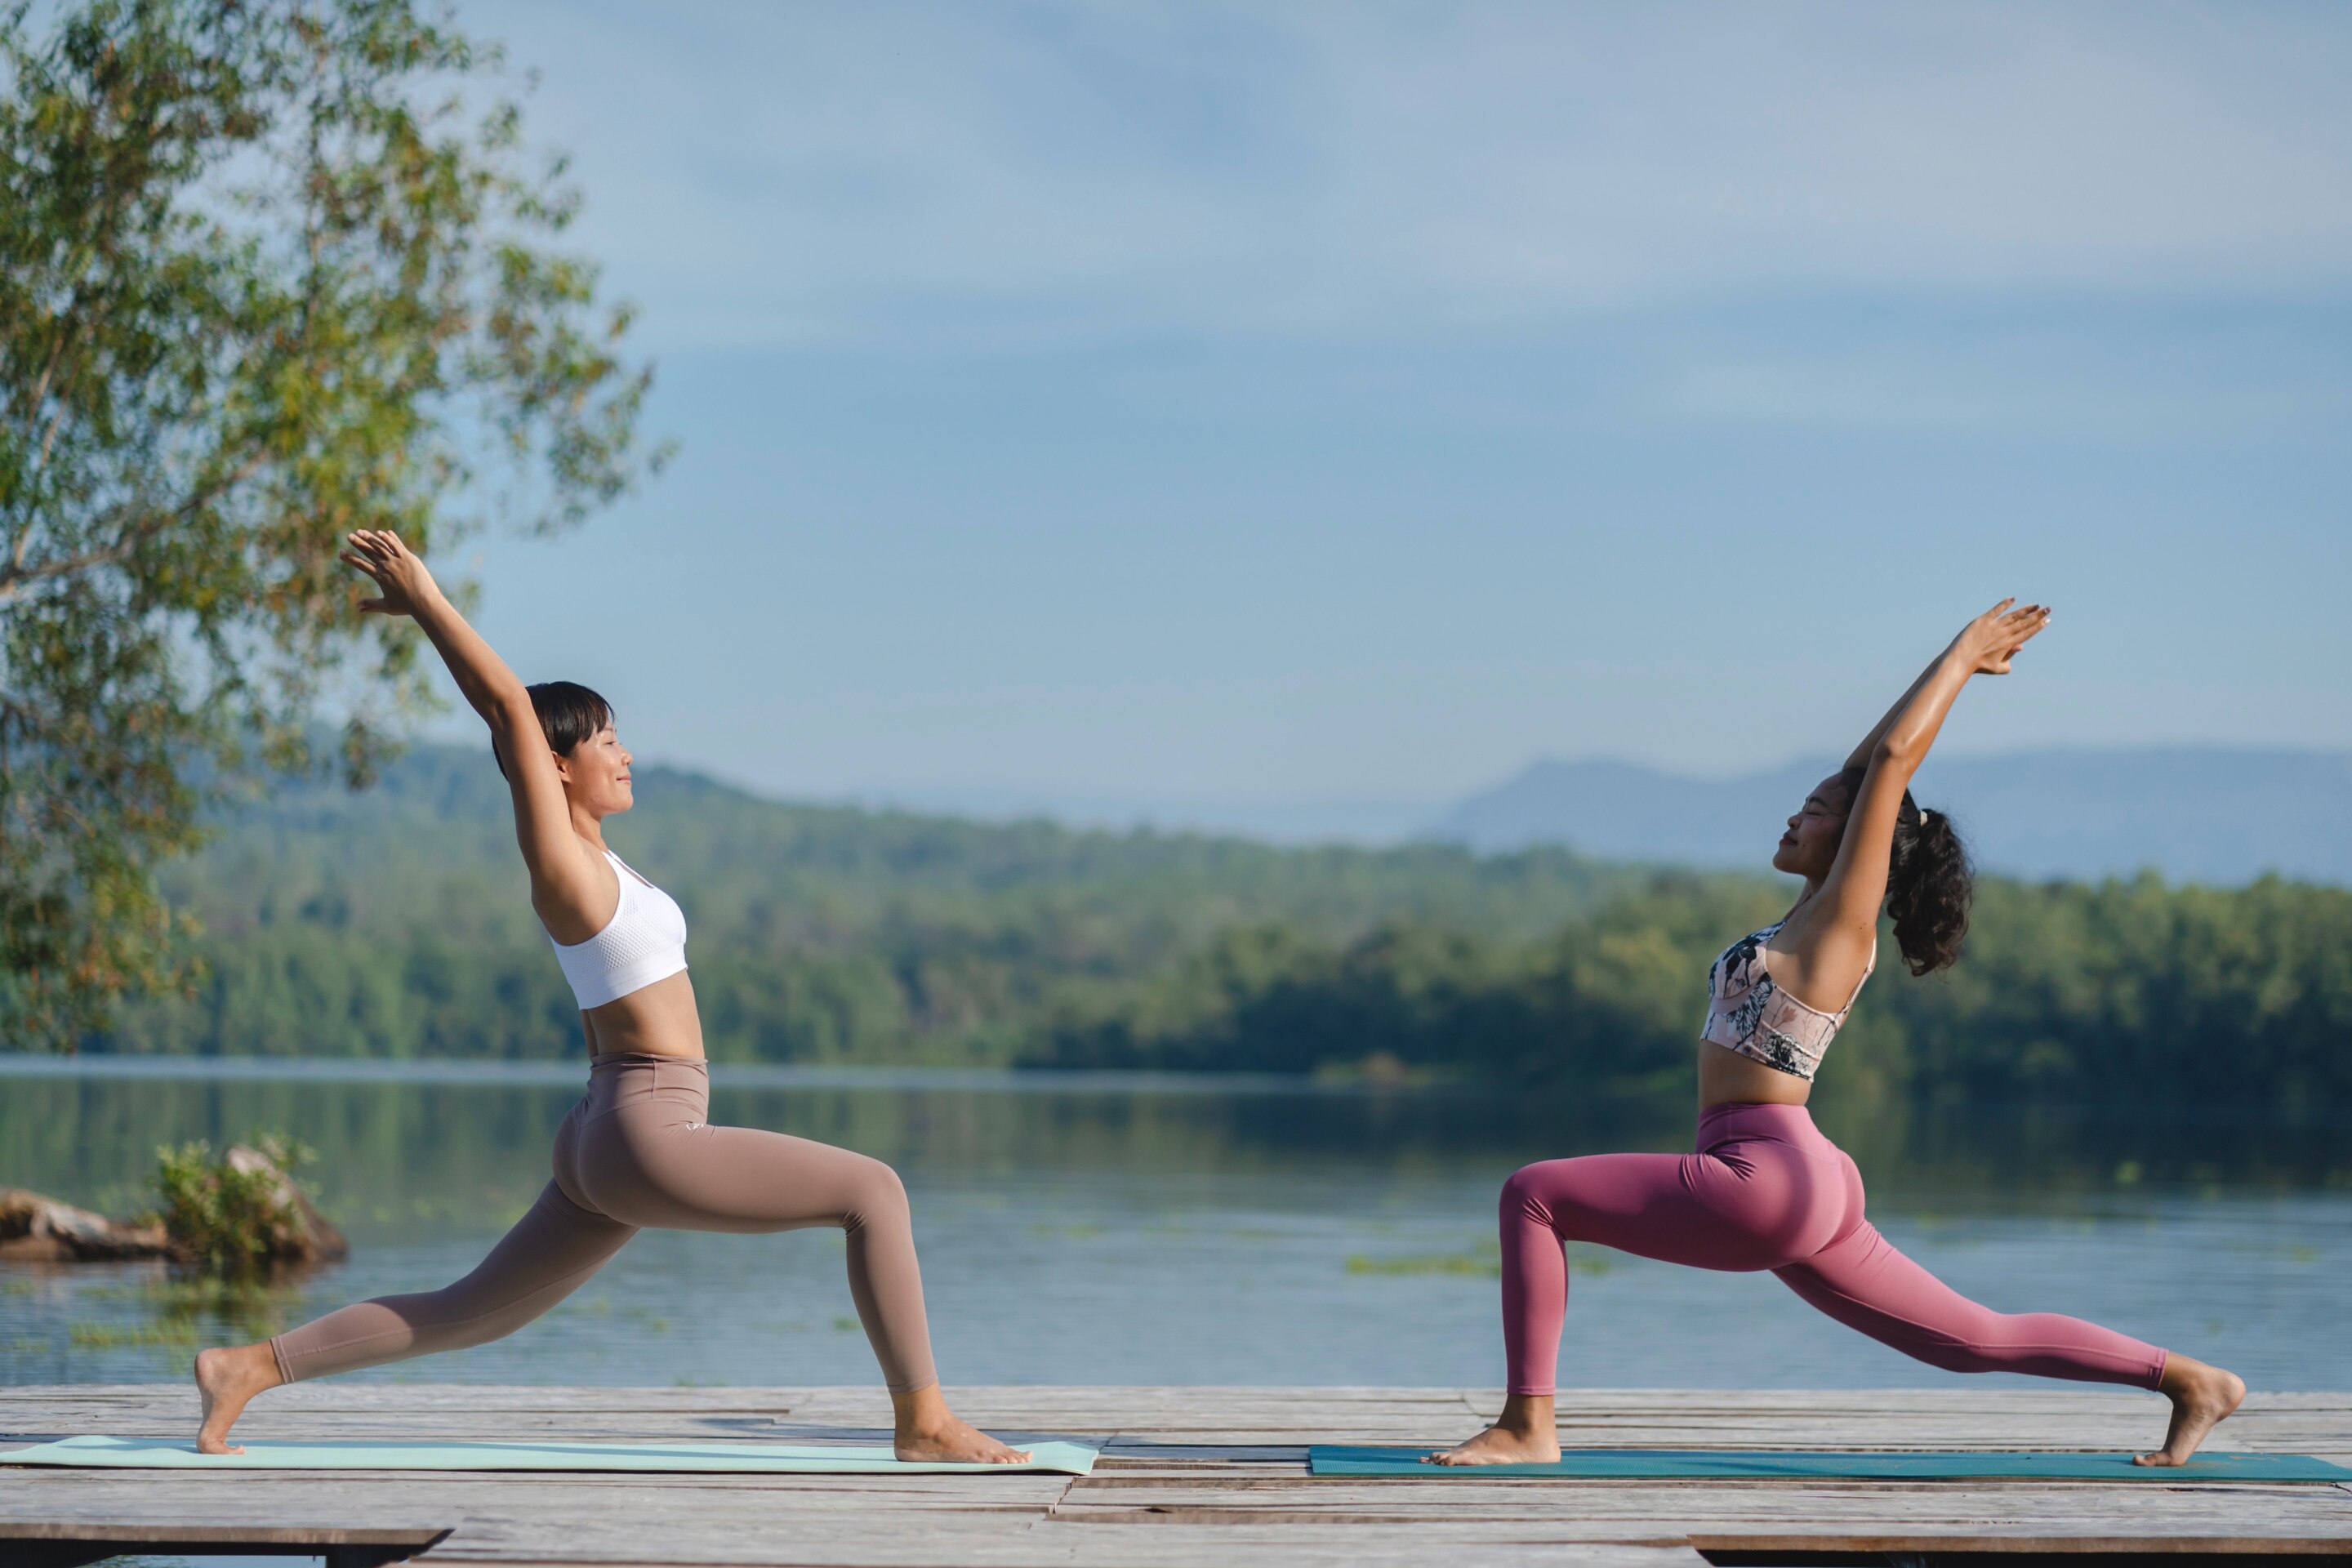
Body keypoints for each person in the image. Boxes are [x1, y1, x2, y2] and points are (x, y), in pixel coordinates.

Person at [193, 530, 1028, 1463]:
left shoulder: (600, 863)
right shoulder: (565, 874)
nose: (626, 756)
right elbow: (510, 712)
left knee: (473, 1312)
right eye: (607, 742)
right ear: (556, 768)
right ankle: (924, 1422)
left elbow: (507, 722)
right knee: (874, 1191)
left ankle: (247, 1368)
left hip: (607, 1130)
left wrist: (474, 676)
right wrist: (427, 602)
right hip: (644, 1127)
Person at [1432, 599, 2243, 1469]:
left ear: (1864, 844)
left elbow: (1889, 766)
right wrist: (1922, 692)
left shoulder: (1840, 926)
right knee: (1966, 1339)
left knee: (1535, 1194)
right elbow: (1869, 766)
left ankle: (1528, 1425)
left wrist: (1962, 657)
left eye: (1815, 812)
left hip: (1763, 1175)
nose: (1793, 818)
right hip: (1800, 1175)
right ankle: (2191, 1380)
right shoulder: (1809, 913)